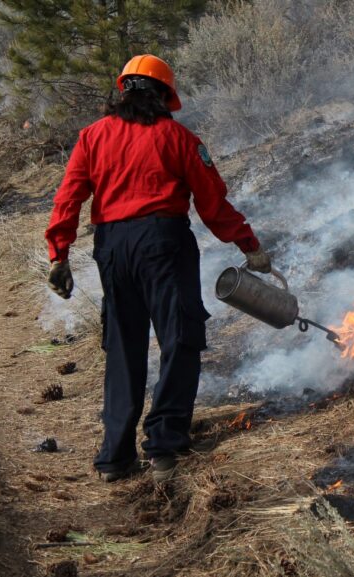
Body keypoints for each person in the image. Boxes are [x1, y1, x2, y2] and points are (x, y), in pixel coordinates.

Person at [44, 54, 272, 483]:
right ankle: (164, 446)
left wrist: (59, 254)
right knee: (180, 338)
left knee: (123, 345)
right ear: (166, 96)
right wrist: (249, 245)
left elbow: (69, 196)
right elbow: (212, 204)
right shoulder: (180, 138)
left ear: (123, 91)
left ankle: (115, 458)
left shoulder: (92, 136)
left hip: (112, 247)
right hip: (164, 245)